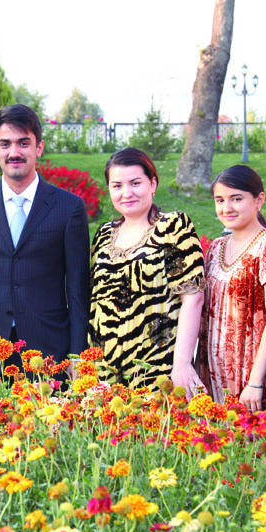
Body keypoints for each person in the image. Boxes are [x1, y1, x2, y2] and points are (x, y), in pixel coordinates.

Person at [0, 104, 90, 374]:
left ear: (39, 147)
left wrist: (78, 354)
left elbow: (78, 288)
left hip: (49, 348)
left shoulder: (69, 207)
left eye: (23, 143)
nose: (14, 152)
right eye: (5, 144)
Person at [89, 148, 205, 394]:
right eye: (117, 186)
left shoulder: (173, 227)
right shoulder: (103, 234)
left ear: (152, 184)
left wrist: (182, 364)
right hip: (104, 368)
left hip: (157, 365)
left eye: (135, 183)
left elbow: (193, 297)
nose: (126, 193)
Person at [198, 165, 266, 411]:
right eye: (220, 200)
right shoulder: (215, 248)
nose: (226, 208)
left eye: (236, 198)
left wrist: (255, 381)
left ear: (259, 200)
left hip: (251, 374)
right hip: (213, 372)